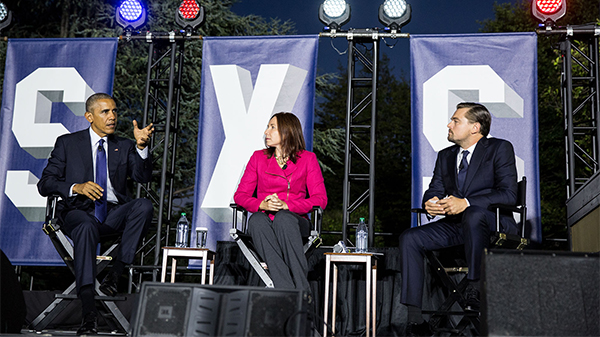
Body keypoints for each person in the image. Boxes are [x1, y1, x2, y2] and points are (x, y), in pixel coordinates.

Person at [38, 93, 154, 335]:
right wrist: (75, 187)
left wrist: (141, 148)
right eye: (105, 112)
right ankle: (88, 312)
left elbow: (142, 177)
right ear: (89, 116)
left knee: (143, 205)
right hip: (77, 212)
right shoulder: (68, 143)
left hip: (112, 214)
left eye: (114, 111)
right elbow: (45, 184)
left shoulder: (123, 145)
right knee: (85, 226)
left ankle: (115, 275)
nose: (112, 117)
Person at [399, 102, 518, 335]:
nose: (449, 124)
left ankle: (475, 287)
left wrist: (467, 203)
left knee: (473, 214)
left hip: (491, 222)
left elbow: (509, 194)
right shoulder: (445, 156)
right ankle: (415, 318)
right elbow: (435, 189)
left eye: (455, 120)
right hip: (457, 225)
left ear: (475, 127)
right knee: (410, 238)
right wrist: (431, 202)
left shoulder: (499, 148)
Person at [234, 112, 327, 291]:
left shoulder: (307, 159)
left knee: (283, 218)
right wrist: (262, 204)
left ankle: (298, 288)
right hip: (265, 220)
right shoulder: (258, 158)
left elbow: (320, 199)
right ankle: (292, 291)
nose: (266, 132)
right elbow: (240, 195)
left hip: (295, 221)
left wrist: (287, 205)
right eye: (268, 127)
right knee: (256, 220)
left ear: (286, 132)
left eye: (272, 127)